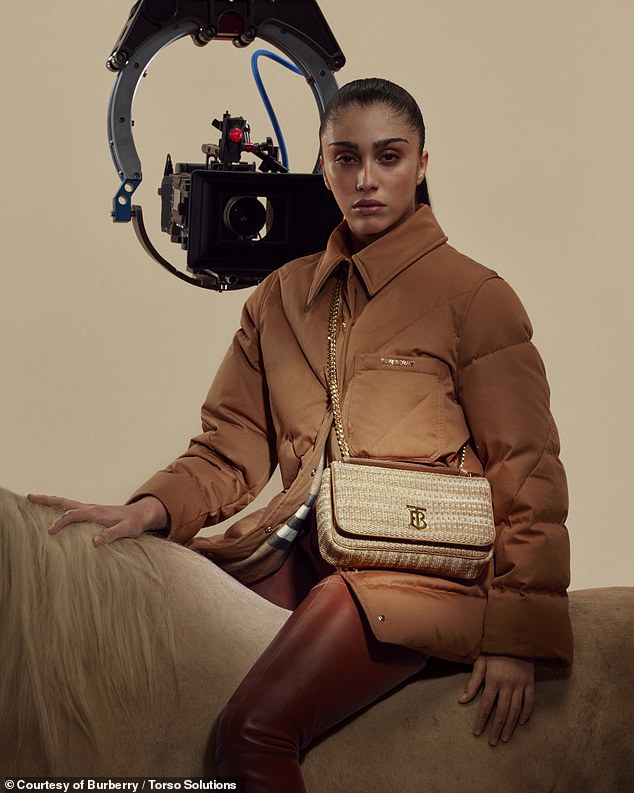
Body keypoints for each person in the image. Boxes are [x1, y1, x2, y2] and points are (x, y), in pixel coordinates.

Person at [30, 78, 572, 792]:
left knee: (254, 729)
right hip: (302, 548)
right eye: (345, 158)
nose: (366, 179)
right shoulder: (281, 296)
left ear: (422, 164)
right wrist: (149, 509)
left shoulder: (475, 296)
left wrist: (516, 637)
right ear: (321, 166)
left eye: (388, 156)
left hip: (418, 576)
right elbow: (229, 448)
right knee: (138, 637)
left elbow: (527, 469)